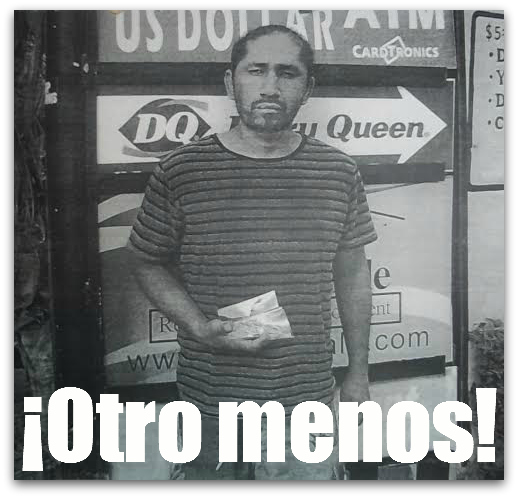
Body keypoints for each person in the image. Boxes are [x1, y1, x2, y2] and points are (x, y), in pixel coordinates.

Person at [126, 24, 377, 480]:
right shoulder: (182, 170)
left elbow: (353, 273)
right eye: (256, 70)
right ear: (230, 82)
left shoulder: (337, 171)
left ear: (308, 88)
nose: (270, 87)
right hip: (210, 405)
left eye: (287, 73)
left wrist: (358, 371)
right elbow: (146, 260)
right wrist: (201, 328)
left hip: (305, 404)